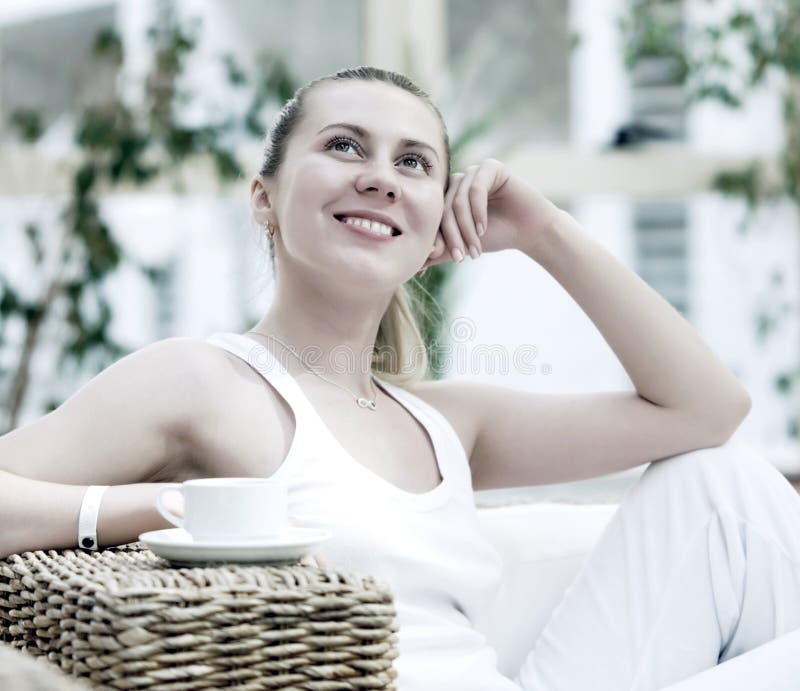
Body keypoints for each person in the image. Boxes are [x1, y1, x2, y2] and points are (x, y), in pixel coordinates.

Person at [1, 65, 799, 691]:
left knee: (726, 486)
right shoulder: (204, 381)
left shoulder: (451, 424)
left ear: (433, 230)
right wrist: (159, 509)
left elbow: (707, 410)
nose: (379, 176)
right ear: (265, 198)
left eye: (413, 162)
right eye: (344, 145)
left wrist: (547, 232)